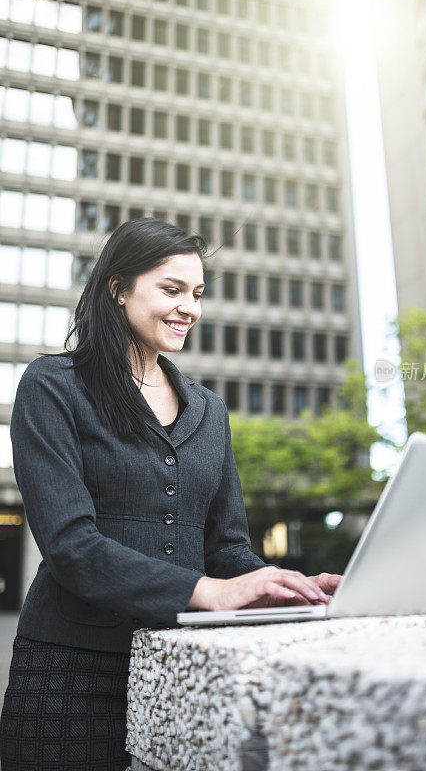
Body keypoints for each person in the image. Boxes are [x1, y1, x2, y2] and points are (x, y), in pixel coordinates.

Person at [0, 218, 342, 770]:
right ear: (118, 287)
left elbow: (227, 546)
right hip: (69, 670)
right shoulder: (52, 386)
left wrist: (280, 589)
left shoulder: (210, 411)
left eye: (198, 294)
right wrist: (207, 592)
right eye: (172, 289)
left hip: (185, 662)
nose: (191, 308)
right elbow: (71, 545)